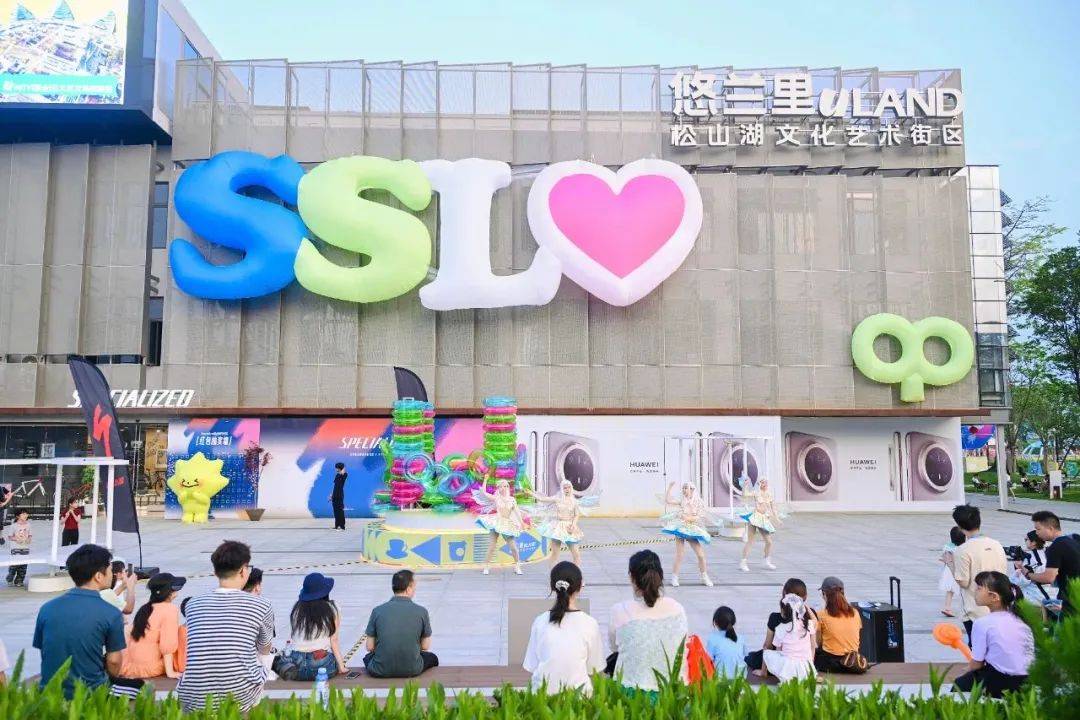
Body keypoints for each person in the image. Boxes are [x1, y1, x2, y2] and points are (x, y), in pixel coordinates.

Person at [176, 540, 276, 713]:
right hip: (240, 696)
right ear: (243, 570)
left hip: (193, 696)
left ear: (215, 572)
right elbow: (264, 648)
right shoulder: (262, 605)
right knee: (265, 656)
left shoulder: (193, 604)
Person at [33, 544, 126, 699]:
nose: (112, 575)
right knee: (143, 690)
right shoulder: (111, 612)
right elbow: (114, 661)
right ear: (98, 576)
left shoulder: (47, 608)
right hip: (91, 694)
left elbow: (45, 650)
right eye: (110, 570)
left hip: (49, 694)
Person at [607, 549, 689, 692]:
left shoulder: (620, 611)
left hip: (632, 692)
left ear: (632, 577)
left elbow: (614, 647)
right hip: (674, 692)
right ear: (661, 576)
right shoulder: (677, 609)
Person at [523, 561, 604, 693]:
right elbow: (593, 668)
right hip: (579, 697)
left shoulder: (540, 621)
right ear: (580, 586)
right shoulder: (590, 623)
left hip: (542, 697)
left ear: (552, 586)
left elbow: (532, 665)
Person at [952, 571, 1034, 698]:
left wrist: (967, 670)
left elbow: (977, 664)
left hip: (1001, 681)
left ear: (994, 597)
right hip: (1027, 680)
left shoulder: (982, 623)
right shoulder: (1022, 620)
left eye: (979, 588)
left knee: (959, 684)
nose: (975, 591)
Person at [363, 569, 438, 678]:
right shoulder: (422, 611)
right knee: (432, 658)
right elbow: (425, 646)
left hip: (380, 670)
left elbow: (370, 647)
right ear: (408, 589)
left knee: (368, 658)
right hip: (412, 668)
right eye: (414, 587)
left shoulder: (377, 611)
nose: (415, 590)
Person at [951, 504, 1007, 643]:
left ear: (959, 526)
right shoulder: (996, 544)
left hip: (975, 610)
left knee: (978, 648)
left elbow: (963, 582)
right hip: (999, 606)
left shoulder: (962, 550)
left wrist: (950, 564)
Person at [276, 573, 347, 680]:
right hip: (320, 664)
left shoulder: (297, 609)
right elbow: (334, 641)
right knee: (331, 660)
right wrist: (341, 667)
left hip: (296, 665)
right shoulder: (333, 608)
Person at [119, 573, 187, 679]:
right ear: (169, 592)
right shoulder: (170, 609)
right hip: (150, 667)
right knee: (182, 632)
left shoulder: (145, 608)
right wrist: (170, 672)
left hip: (129, 667)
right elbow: (167, 645)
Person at [744, 578, 812, 673]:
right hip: (804, 664)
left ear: (784, 594)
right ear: (805, 597)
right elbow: (814, 644)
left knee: (751, 657)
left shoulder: (775, 619)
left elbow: (768, 645)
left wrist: (763, 672)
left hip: (783, 665)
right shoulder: (809, 618)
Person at [1025, 510, 1080, 616]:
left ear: (1050, 528)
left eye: (1038, 529)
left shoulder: (1055, 547)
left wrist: (1028, 574)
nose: (1036, 533)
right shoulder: (1075, 538)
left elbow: (1048, 578)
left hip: (1071, 600)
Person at [660, 481, 714, 587]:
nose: (684, 490)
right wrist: (670, 487)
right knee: (680, 554)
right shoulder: (682, 500)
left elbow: (701, 515)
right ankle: (674, 577)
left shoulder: (698, 502)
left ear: (692, 489)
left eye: (686, 488)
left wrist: (690, 518)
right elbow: (667, 500)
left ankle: (704, 576)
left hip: (692, 529)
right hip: (681, 528)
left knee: (701, 555)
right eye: (683, 488)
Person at [529, 480, 592, 567]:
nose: (567, 489)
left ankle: (576, 573)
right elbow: (542, 499)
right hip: (558, 527)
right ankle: (553, 573)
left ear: (571, 488)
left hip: (569, 527)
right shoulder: (558, 499)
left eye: (569, 487)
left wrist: (573, 525)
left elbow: (576, 515)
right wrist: (531, 493)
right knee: (555, 554)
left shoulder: (574, 501)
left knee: (576, 554)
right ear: (562, 489)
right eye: (565, 488)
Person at [759, 592, 817, 682]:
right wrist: (810, 663)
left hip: (788, 669)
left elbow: (779, 651)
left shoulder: (780, 628)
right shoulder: (809, 624)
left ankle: (763, 673)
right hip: (807, 667)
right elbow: (813, 646)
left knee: (766, 652)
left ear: (783, 612)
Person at [474, 479, 527, 575]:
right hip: (496, 522)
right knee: (492, 545)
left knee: (513, 547)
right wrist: (485, 480)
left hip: (507, 524)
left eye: (506, 486)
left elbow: (517, 512)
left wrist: (522, 523)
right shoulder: (497, 498)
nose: (504, 488)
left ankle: (517, 566)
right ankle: (486, 566)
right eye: (502, 486)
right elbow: (484, 493)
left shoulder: (512, 500)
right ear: (499, 488)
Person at [813, 576, 866, 674]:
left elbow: (818, 642)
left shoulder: (821, 615)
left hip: (831, 663)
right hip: (852, 661)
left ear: (824, 594)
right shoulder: (855, 612)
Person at [739, 478, 782, 572]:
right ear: (759, 484)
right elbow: (745, 495)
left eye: (765, 482)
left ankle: (766, 561)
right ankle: (743, 562)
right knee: (750, 541)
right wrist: (745, 486)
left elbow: (773, 508)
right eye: (762, 482)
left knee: (769, 542)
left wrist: (777, 519)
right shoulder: (756, 493)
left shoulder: (769, 494)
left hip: (764, 519)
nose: (764, 484)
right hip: (755, 518)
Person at [705, 606, 746, 679]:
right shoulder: (741, 638)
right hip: (740, 679)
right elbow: (743, 656)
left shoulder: (712, 639)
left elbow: (708, 661)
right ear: (733, 622)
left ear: (715, 623)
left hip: (720, 680)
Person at [939, 526, 965, 617]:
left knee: (950, 591)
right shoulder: (962, 548)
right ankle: (966, 608)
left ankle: (947, 607)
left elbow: (943, 557)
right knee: (964, 589)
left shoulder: (948, 546)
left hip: (948, 571)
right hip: (957, 570)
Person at [5, 509, 31, 586]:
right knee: (14, 565)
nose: (26, 515)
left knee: (23, 566)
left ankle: (19, 580)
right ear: (18, 516)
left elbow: (30, 534)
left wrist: (29, 539)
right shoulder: (14, 526)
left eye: (26, 514)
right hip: (15, 548)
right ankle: (10, 578)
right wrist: (16, 539)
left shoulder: (28, 525)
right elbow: (9, 537)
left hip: (25, 548)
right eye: (23, 514)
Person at [330, 462, 347, 531]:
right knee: (335, 511)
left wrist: (343, 468)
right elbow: (335, 486)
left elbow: (343, 472)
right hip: (335, 495)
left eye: (336, 468)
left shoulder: (344, 474)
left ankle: (342, 526)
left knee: (340, 510)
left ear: (339, 468)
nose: (335, 469)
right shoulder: (337, 475)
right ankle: (337, 525)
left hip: (339, 495)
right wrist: (331, 495)